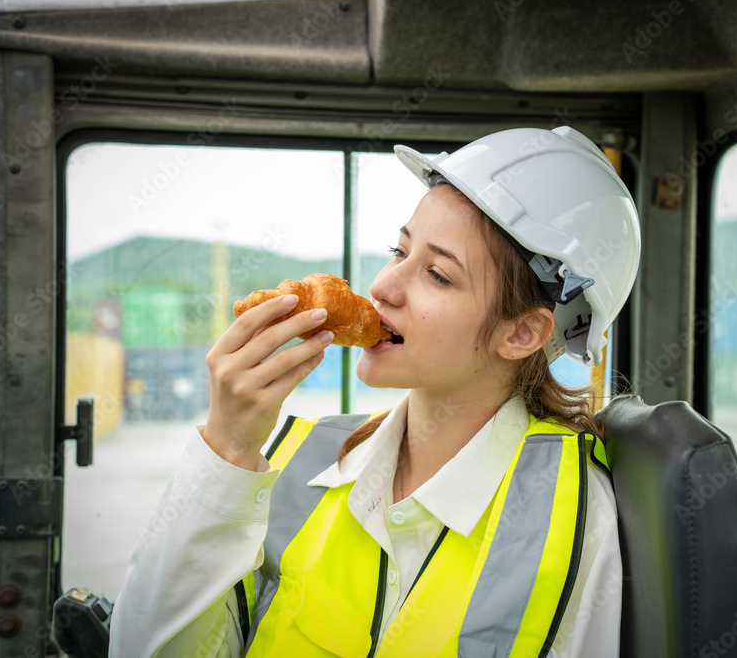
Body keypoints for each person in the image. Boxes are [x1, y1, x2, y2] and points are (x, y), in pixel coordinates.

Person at [109, 125, 641, 657]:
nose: (383, 287)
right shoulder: (286, 461)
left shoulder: (575, 520)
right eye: (398, 250)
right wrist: (226, 448)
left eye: (436, 274)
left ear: (521, 333)